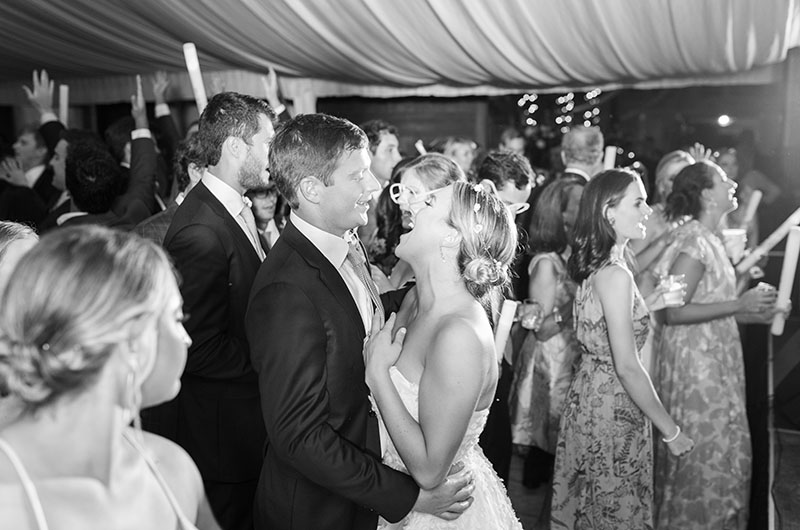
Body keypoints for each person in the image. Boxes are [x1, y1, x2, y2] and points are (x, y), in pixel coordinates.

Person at [245, 114, 473, 530]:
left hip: (355, 499)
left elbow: (354, 312)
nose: (375, 186)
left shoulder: (341, 243)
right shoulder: (286, 291)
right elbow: (300, 437)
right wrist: (409, 497)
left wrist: (439, 287)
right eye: (359, 176)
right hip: (317, 512)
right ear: (312, 189)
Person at [0, 225, 218, 529]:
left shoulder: (171, 466)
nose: (186, 338)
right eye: (176, 317)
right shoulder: (8, 497)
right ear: (130, 338)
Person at [364, 179, 522, 529]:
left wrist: (377, 376)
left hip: (442, 513)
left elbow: (431, 470)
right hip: (392, 500)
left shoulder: (459, 334)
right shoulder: (415, 299)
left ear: (452, 237)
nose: (410, 203)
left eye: (428, 202)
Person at [552, 169, 693, 529]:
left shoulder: (599, 266)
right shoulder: (616, 274)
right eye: (639, 202)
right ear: (608, 212)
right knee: (614, 509)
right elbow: (627, 366)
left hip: (588, 397)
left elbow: (602, 330)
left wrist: (649, 302)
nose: (648, 211)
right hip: (613, 408)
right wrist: (671, 431)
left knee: (588, 504)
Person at [158, 91, 273, 530]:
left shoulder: (229, 208)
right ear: (235, 148)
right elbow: (199, 346)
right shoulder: (202, 231)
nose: (273, 154)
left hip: (240, 426)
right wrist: (270, 361)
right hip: (222, 438)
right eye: (266, 142)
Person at [651, 161, 780, 529]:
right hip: (696, 369)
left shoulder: (709, 238)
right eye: (724, 181)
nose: (733, 184)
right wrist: (740, 304)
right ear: (707, 194)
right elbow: (672, 313)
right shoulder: (693, 243)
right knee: (704, 457)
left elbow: (710, 305)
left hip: (715, 359)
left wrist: (754, 311)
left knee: (722, 452)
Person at [510, 178, 583, 500]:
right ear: (560, 215)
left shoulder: (571, 255)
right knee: (544, 452)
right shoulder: (546, 263)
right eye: (580, 204)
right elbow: (542, 328)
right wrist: (583, 300)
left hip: (567, 360)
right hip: (549, 367)